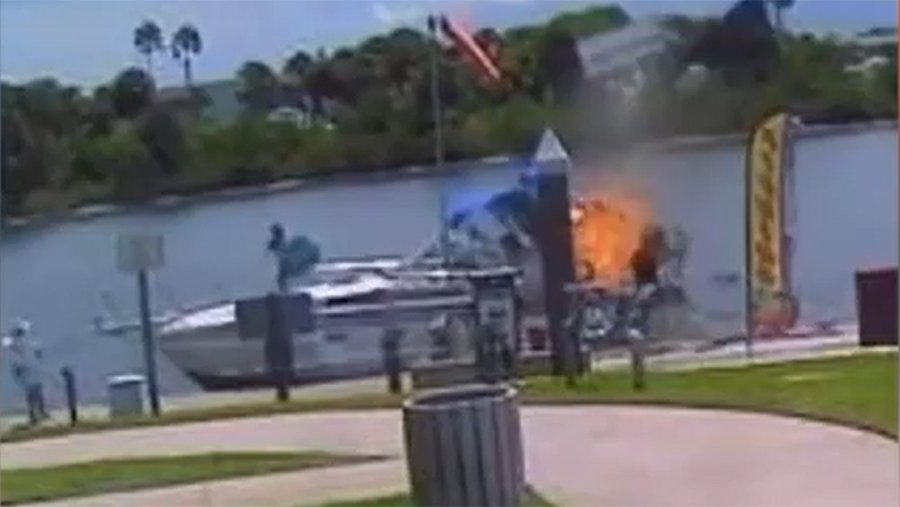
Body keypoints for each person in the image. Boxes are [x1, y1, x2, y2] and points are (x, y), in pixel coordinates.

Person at [2, 320, 48, 424]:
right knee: (31, 392)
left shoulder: (28, 341)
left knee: (37, 390)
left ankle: (40, 412)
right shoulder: (16, 341)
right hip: (25, 369)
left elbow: (38, 351)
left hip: (31, 369)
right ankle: (34, 415)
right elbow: (5, 342)